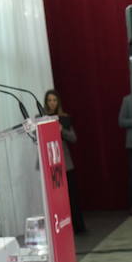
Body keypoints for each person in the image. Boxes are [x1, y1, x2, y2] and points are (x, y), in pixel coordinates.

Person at [43, 89, 86, 233]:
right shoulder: (41, 118)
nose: (52, 103)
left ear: (58, 102)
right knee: (54, 199)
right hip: (49, 162)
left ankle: (78, 226)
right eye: (49, 100)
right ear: (46, 102)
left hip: (65, 162)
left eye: (54, 100)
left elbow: (73, 138)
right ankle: (57, 228)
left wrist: (61, 130)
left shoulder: (64, 118)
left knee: (71, 195)